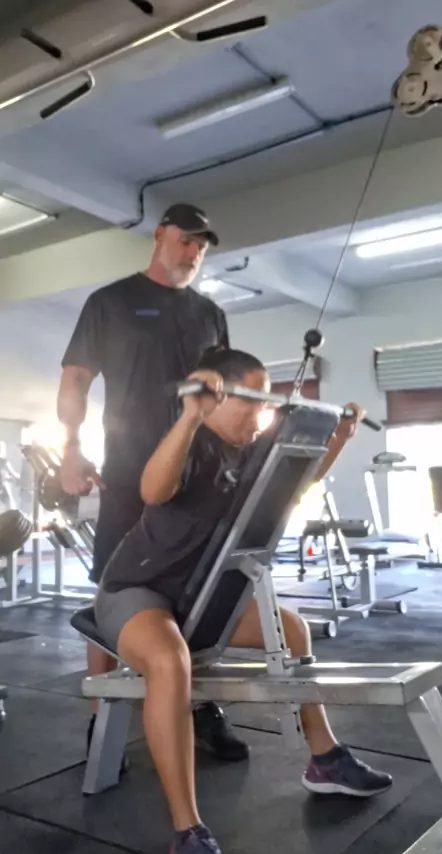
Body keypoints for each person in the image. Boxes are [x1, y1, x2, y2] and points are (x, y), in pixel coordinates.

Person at [94, 347, 393, 854]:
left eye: (265, 402)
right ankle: (187, 830)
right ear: (217, 396)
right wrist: (190, 416)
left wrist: (339, 436)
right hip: (137, 590)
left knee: (292, 631)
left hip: (199, 594)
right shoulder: (190, 440)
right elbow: (153, 490)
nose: (262, 413)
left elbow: (298, 482)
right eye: (251, 400)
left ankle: (324, 760)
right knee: (169, 661)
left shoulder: (251, 451)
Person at [57, 203, 248, 764]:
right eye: (186, 240)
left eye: (202, 247)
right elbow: (75, 379)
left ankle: (200, 705)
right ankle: (102, 719)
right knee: (111, 589)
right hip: (127, 471)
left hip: (199, 477)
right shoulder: (110, 302)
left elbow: (228, 391)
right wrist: (71, 447)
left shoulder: (211, 314)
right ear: (160, 235)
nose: (194, 253)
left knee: (201, 589)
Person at [0, 441, 20, 511]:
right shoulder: (3, 461)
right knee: (9, 507)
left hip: (2, 490)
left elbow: (7, 476)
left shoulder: (3, 462)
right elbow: (13, 474)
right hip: (1, 490)